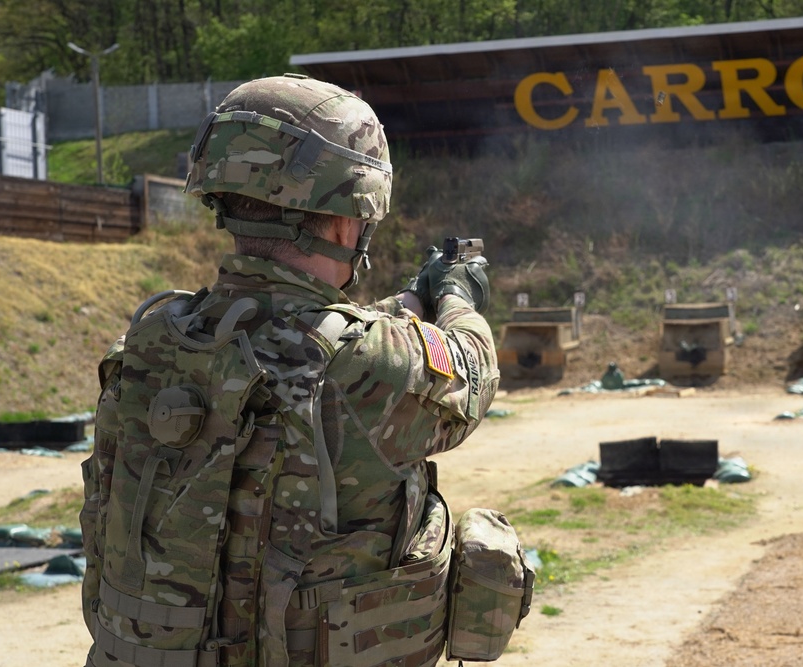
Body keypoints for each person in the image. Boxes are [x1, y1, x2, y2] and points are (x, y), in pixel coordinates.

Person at [79, 73, 499, 667]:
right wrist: (456, 295)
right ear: (344, 221)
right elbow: (473, 372)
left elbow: (301, 339)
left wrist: (407, 302)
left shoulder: (157, 335)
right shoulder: (361, 362)